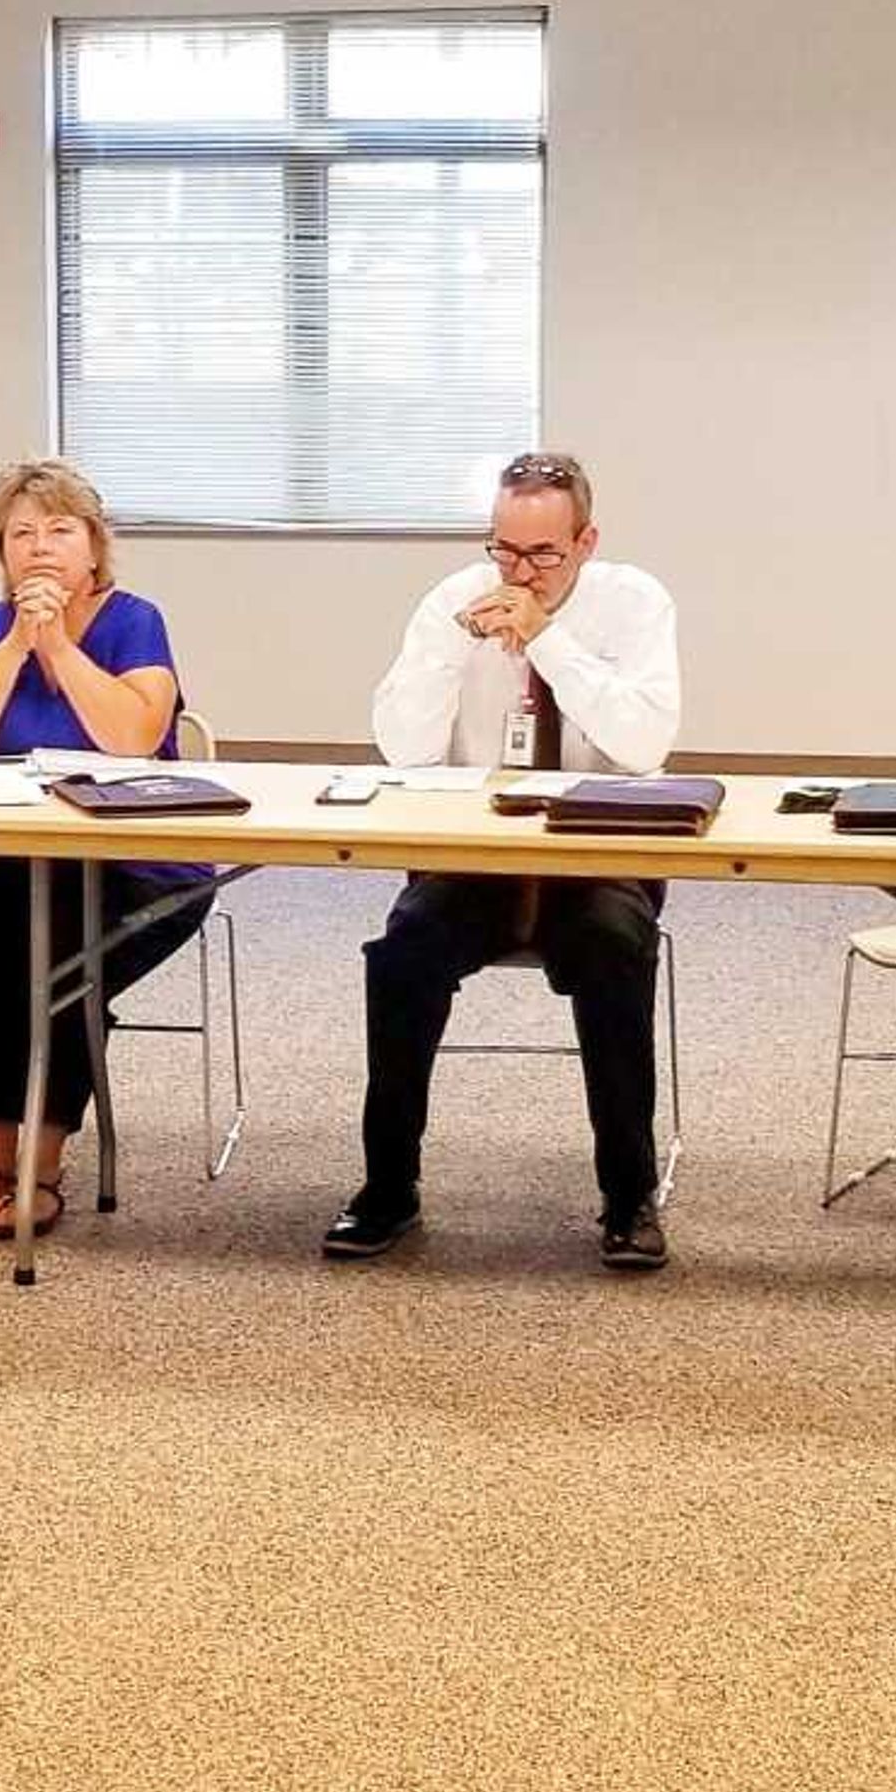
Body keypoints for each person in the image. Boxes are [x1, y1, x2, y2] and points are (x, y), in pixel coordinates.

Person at [328, 448, 685, 1271]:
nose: (520, 571)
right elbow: (405, 753)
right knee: (403, 953)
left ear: (586, 541)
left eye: (543, 553)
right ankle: (388, 1187)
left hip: (599, 854)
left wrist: (549, 642)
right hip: (473, 852)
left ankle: (629, 1195)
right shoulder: (451, 602)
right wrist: (452, 653)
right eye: (504, 549)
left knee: (615, 950)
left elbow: (642, 746)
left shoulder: (635, 604)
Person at [0, 457, 202, 1237]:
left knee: (57, 966)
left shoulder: (134, 621)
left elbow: (135, 737)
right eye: (21, 534)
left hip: (140, 866)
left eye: (59, 531)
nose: (39, 548)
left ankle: (41, 1170)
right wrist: (16, 644)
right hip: (18, 864)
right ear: (0, 552)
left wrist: (59, 650)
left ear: (94, 547)